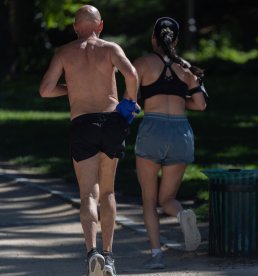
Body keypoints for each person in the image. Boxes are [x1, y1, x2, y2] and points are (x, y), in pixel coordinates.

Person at [39, 5, 139, 276]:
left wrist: (72, 87)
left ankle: (91, 252)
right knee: (108, 192)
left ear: (75, 28)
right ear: (100, 26)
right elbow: (131, 75)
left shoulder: (65, 53)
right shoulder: (110, 49)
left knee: (88, 194)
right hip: (111, 122)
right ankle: (108, 256)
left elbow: (46, 90)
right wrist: (130, 102)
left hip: (82, 124)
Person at [132, 17, 207, 269]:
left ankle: (156, 256)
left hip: (153, 129)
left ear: (153, 38)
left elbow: (129, 104)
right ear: (175, 40)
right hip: (181, 132)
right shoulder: (186, 69)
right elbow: (201, 104)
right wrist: (176, 100)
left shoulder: (141, 64)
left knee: (149, 200)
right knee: (167, 199)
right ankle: (182, 214)